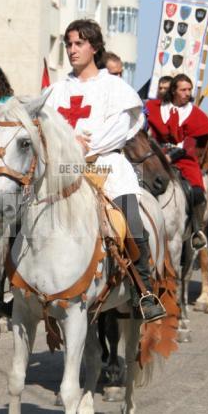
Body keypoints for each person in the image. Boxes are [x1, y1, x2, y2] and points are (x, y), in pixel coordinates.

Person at [45, 19, 165, 322]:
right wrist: (69, 143)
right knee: (22, 211)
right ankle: (17, 286)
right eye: (68, 44)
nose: (72, 50)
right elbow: (44, 128)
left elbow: (123, 125)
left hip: (106, 166)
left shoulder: (114, 86)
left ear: (94, 47)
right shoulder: (56, 90)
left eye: (78, 44)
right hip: (64, 168)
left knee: (131, 223)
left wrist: (88, 144)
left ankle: (145, 290)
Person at [146, 74, 208, 250]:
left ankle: (196, 230)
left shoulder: (195, 114)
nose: (187, 93)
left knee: (198, 193)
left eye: (189, 90)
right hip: (154, 154)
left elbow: (190, 144)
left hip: (184, 159)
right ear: (174, 91)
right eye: (183, 90)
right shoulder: (155, 107)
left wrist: (171, 157)